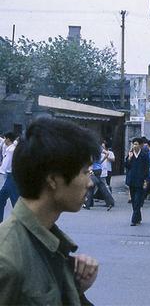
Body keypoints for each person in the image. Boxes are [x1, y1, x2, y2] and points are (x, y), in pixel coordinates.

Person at [0, 117, 99, 304]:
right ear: (53, 180)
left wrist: (74, 290)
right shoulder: (7, 260)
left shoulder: (50, 245)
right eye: (85, 172)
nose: (90, 183)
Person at [125, 138, 150, 226]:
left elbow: (147, 168)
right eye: (133, 144)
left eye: (136, 144)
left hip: (140, 180)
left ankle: (134, 219)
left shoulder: (144, 155)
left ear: (140, 145)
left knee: (138, 200)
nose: (134, 146)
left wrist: (146, 180)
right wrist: (129, 158)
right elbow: (127, 166)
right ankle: (138, 217)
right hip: (132, 180)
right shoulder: (130, 154)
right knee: (133, 200)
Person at [0, 132, 20, 223]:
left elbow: (6, 164)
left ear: (8, 139)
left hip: (11, 176)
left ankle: (22, 223)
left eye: (5, 138)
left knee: (15, 201)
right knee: (1, 198)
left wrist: (1, 171)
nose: (4, 139)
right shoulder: (12, 148)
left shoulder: (11, 149)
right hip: (11, 176)